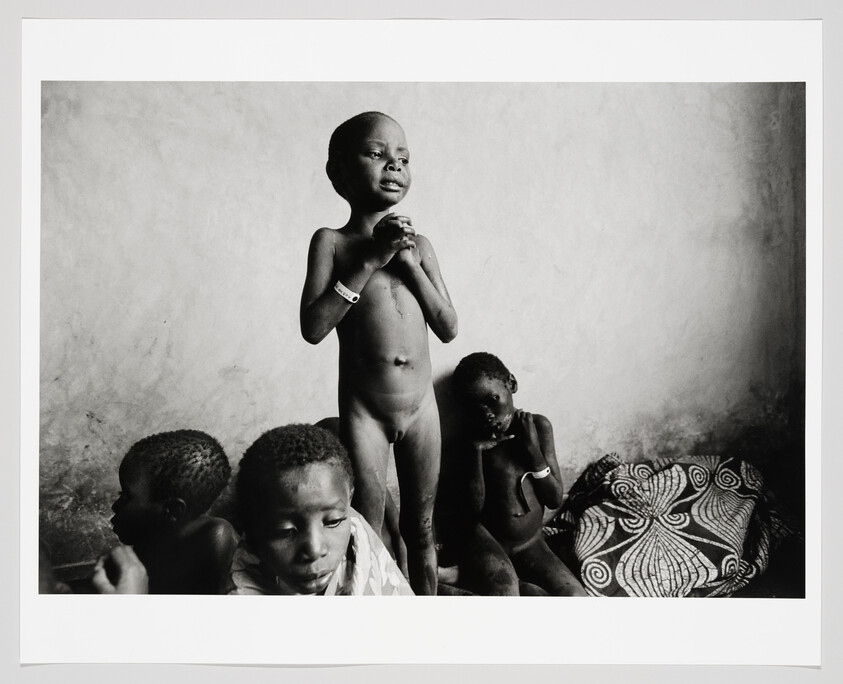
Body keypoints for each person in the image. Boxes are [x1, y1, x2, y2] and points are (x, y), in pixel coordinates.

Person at [300, 111, 457, 594]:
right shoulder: (333, 243)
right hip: (364, 411)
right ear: (339, 174)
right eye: (376, 154)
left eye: (403, 158)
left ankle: (423, 617)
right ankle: (374, 620)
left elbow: (448, 328)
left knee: (423, 526)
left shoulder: (421, 247)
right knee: (367, 529)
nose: (394, 166)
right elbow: (313, 327)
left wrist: (408, 264)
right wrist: (371, 260)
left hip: (422, 408)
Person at [446, 352, 586, 596]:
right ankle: (469, 581)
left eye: (492, 399)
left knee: (575, 596)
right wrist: (476, 452)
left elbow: (554, 499)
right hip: (487, 539)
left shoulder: (539, 428)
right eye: (474, 408)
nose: (487, 415)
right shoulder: (470, 443)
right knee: (506, 593)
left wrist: (533, 452)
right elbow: (471, 512)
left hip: (531, 543)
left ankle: (470, 578)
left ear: (511, 384)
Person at [228, 423, 413, 596]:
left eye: (333, 521)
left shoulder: (356, 534)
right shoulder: (241, 607)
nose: (315, 550)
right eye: (284, 530)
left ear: (348, 500)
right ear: (250, 529)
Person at [108, 429, 238, 594]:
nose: (115, 506)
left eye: (126, 496)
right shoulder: (152, 539)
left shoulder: (216, 537)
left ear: (172, 510)